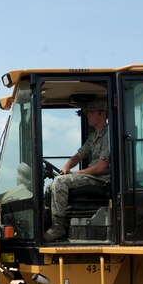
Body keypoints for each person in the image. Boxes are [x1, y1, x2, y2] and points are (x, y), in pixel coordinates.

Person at [44, 100, 111, 242]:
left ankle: (58, 228)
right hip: (93, 176)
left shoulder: (109, 135)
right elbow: (80, 154)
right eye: (87, 112)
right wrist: (67, 166)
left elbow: (102, 167)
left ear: (103, 114)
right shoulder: (94, 136)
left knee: (61, 183)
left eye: (91, 112)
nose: (88, 115)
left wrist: (76, 173)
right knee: (50, 186)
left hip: (101, 179)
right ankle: (47, 224)